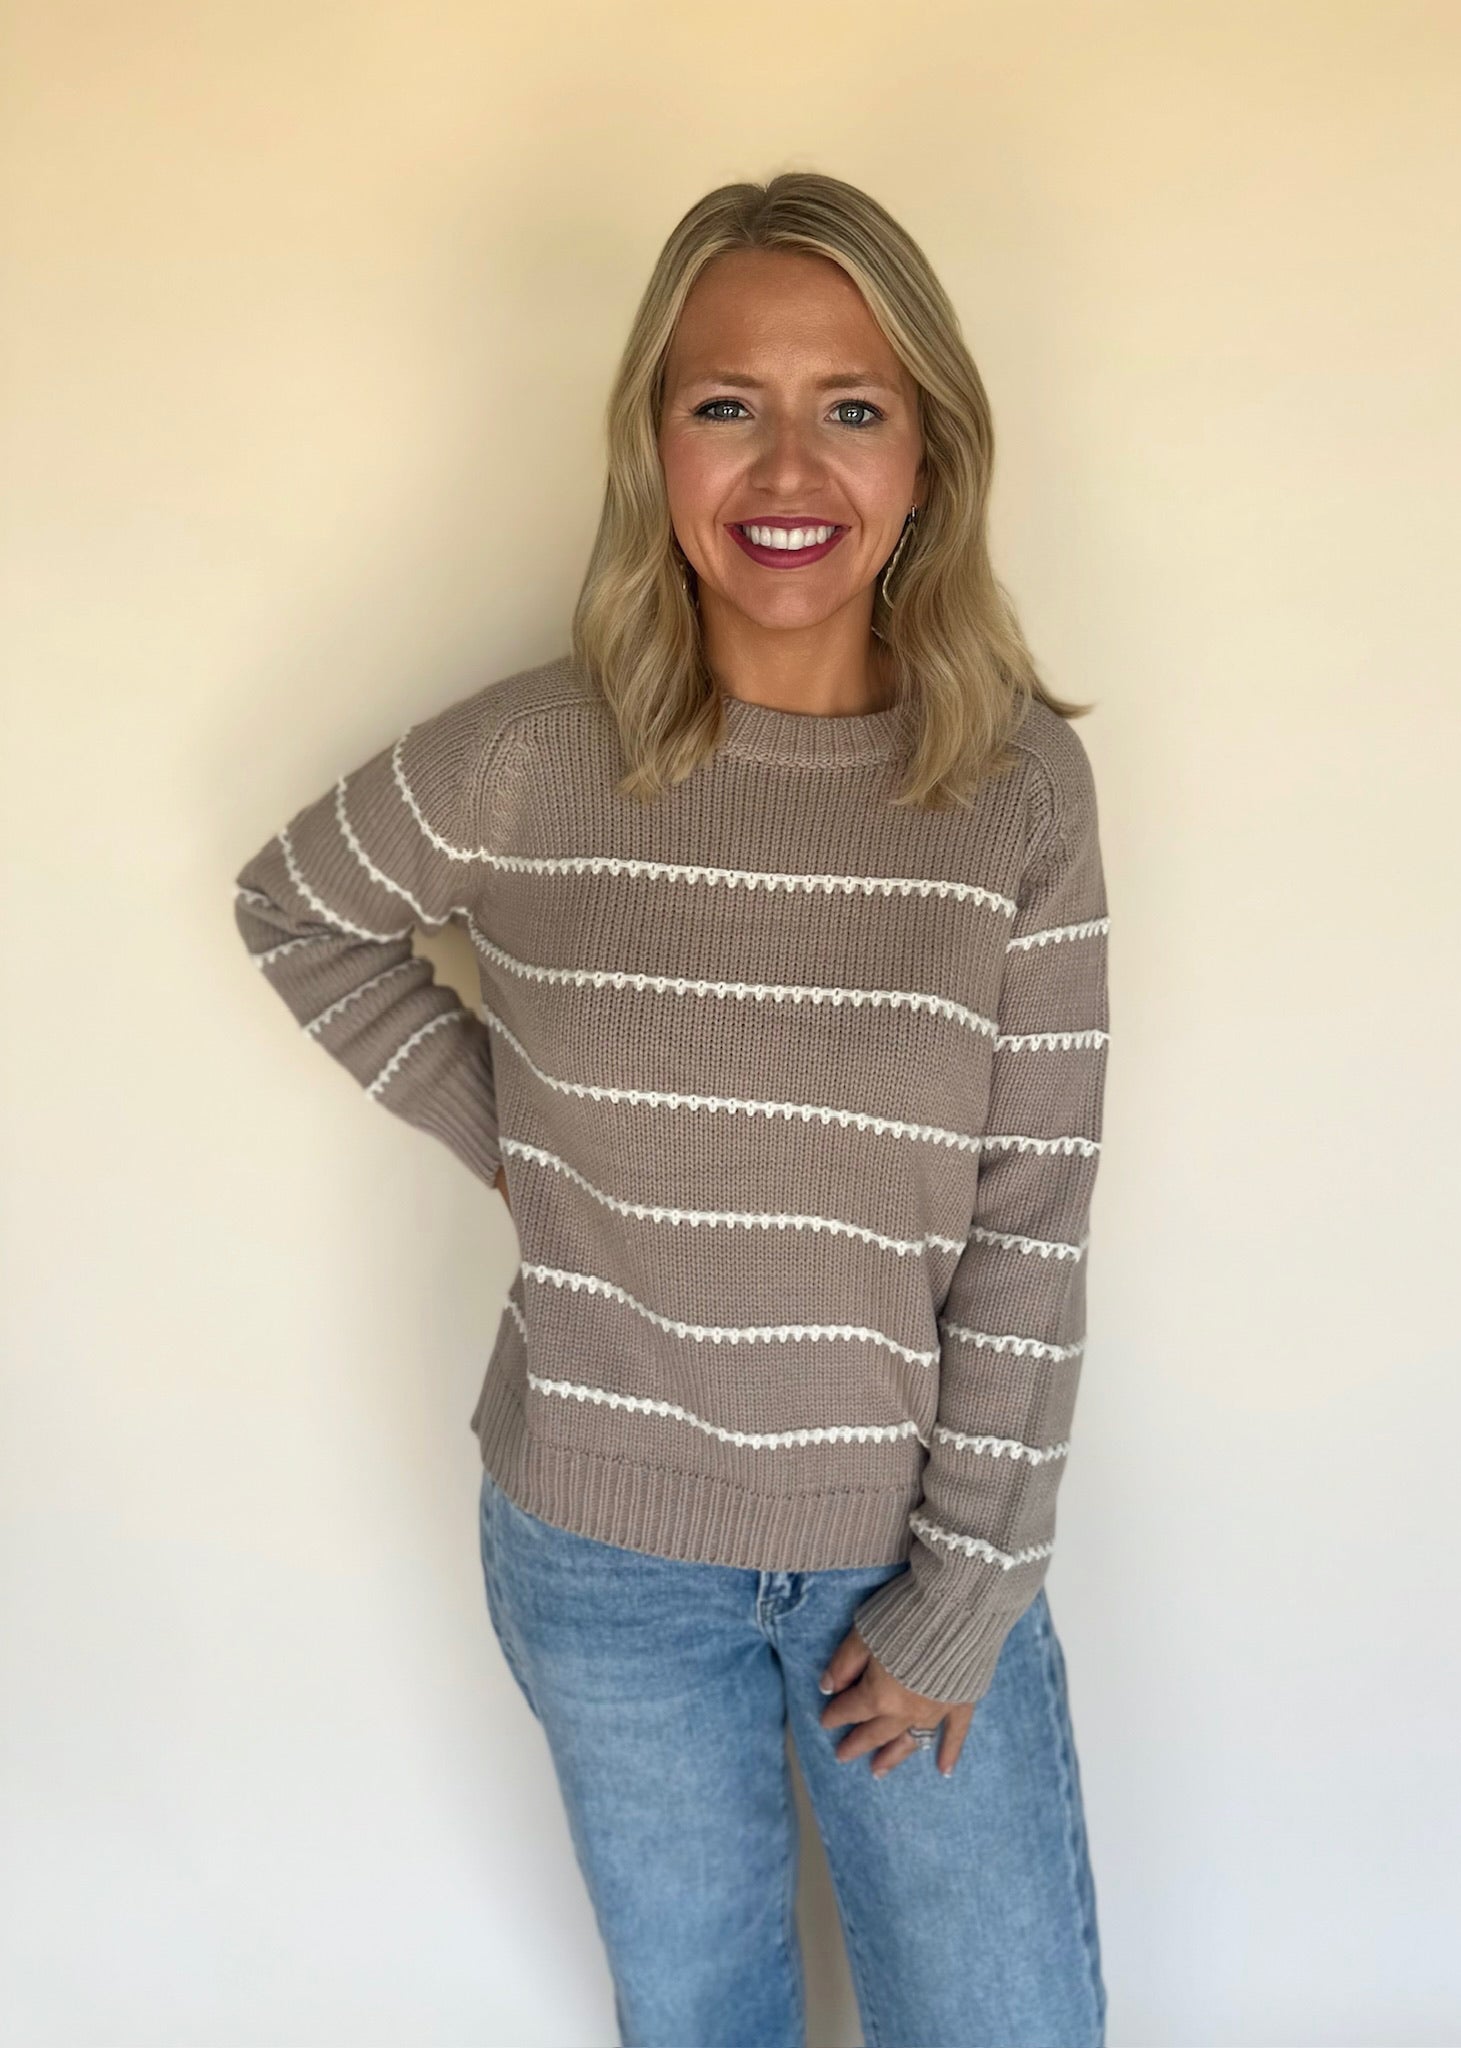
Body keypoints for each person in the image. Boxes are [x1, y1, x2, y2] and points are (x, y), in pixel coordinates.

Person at [233, 170, 1111, 2048]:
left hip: (913, 1556)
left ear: (930, 456)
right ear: (655, 443)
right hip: (606, 1561)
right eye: (729, 402)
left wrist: (971, 1589)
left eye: (851, 406)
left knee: (1005, 2023)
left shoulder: (1015, 793)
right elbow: (293, 903)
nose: (788, 463)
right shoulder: (537, 756)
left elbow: (1035, 1214)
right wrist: (533, 1136)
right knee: (701, 2018)